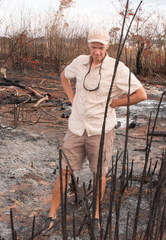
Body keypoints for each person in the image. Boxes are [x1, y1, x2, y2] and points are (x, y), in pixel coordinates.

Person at [40, 27, 147, 236]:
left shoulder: (118, 68)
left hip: (101, 130)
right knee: (64, 170)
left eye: (100, 47)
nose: (96, 51)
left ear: (107, 46)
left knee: (99, 174)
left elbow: (141, 94)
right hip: (76, 127)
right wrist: (72, 98)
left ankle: (96, 215)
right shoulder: (79, 62)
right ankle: (51, 214)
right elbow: (64, 76)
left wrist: (115, 103)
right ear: (88, 46)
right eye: (93, 47)